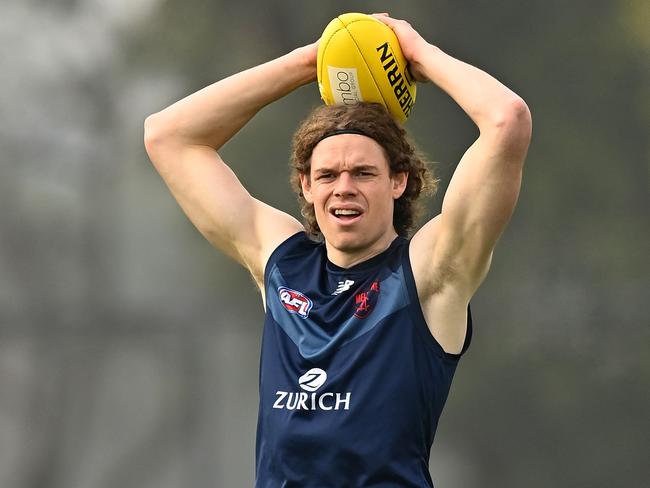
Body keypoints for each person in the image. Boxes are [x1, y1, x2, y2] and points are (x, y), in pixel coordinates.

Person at [144, 13, 531, 488]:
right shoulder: (281, 263)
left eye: (363, 173)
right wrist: (312, 60)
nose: (343, 188)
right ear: (306, 186)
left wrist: (417, 54)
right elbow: (168, 136)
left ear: (398, 181)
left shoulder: (430, 273)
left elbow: (506, 120)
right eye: (327, 175)